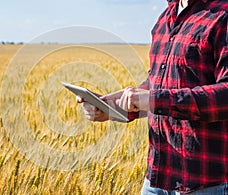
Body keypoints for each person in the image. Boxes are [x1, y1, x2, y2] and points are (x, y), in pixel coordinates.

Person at [77, 0, 228, 194]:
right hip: (158, 177)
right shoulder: (165, 18)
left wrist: (155, 99)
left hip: (204, 182)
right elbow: (158, 83)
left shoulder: (222, 15)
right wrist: (110, 108)